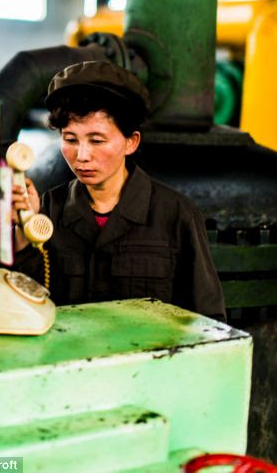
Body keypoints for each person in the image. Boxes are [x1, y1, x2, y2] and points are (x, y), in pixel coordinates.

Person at [12, 60, 226, 322]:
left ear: (131, 142)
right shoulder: (50, 208)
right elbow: (26, 304)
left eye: (97, 140)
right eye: (70, 139)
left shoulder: (175, 214)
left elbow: (208, 319)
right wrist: (24, 229)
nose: (82, 156)